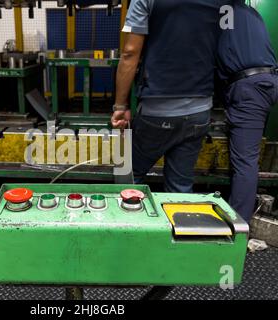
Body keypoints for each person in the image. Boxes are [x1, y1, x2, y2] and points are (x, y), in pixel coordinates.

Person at [111, 0, 229, 192]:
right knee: (180, 188)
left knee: (128, 178)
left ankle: (132, 219)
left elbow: (130, 53)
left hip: (157, 110)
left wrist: (120, 107)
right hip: (200, 110)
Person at [216, 0, 278, 222]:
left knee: (245, 162)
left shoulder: (220, 11)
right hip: (266, 81)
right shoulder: (252, 12)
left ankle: (239, 226)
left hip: (249, 87)